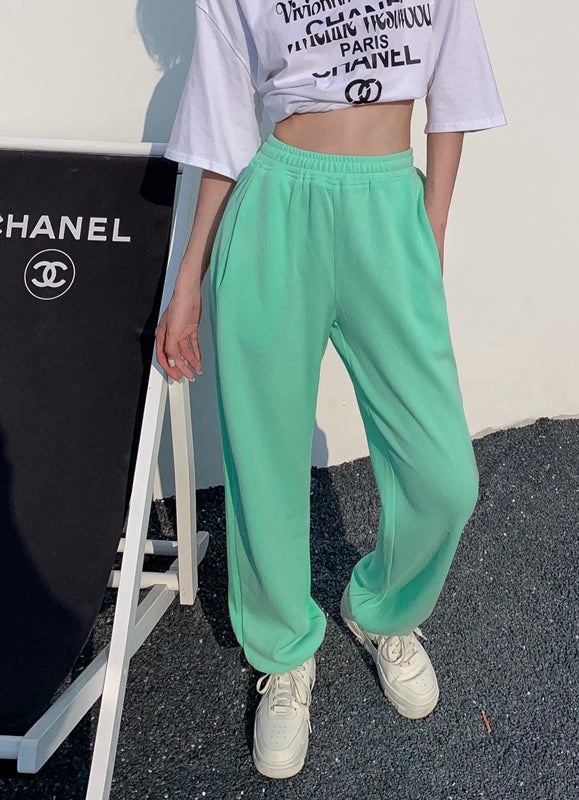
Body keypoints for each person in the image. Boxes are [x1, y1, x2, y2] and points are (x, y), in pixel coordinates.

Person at [157, 0, 506, 780]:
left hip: (388, 211)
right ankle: (283, 652)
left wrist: (431, 228)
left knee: (444, 478)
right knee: (266, 459)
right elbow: (222, 130)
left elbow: (453, 93)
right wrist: (188, 280)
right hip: (277, 206)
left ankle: (382, 608)